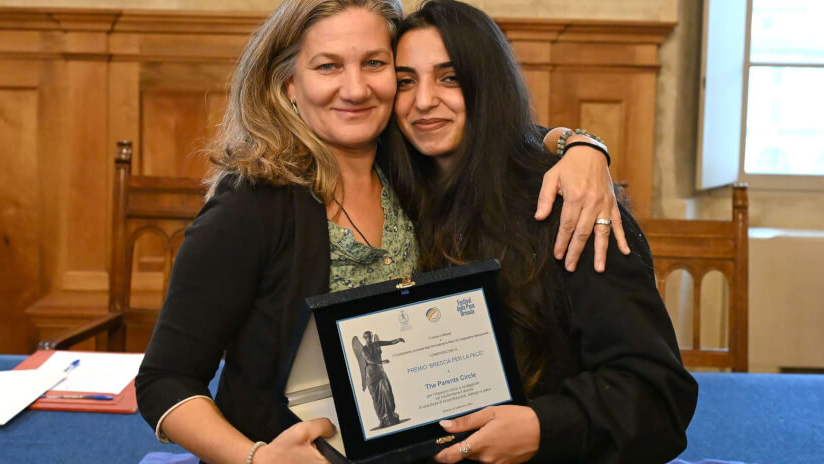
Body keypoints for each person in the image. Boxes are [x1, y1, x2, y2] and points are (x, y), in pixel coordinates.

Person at [135, 1, 631, 463]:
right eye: (328, 66)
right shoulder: (251, 204)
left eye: (374, 64)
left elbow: (494, 130)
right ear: (289, 85)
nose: (355, 89)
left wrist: (579, 146)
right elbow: (165, 380)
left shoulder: (415, 170)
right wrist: (257, 458)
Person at [381, 1, 698, 463]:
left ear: (488, 85)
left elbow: (658, 397)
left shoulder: (571, 203)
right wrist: (577, 140)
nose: (423, 100)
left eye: (450, 78)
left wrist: (542, 427)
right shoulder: (386, 192)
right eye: (406, 81)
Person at [352, 331, 406, 429]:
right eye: (367, 337)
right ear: (365, 338)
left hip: (381, 373)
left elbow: (390, 342)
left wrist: (398, 340)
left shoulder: (377, 344)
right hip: (371, 376)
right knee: (376, 398)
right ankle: (382, 419)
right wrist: (381, 361)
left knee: (388, 391)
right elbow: (369, 360)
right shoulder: (364, 349)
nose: (369, 339)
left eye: (370, 337)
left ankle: (391, 413)